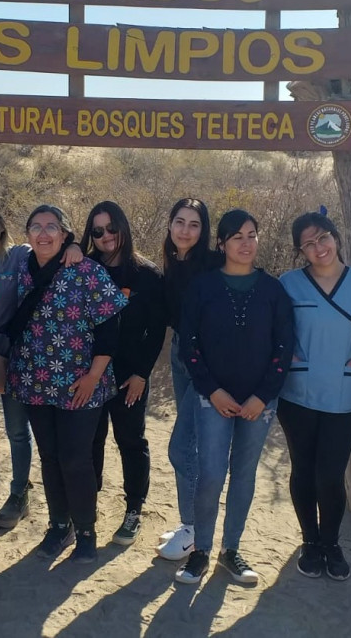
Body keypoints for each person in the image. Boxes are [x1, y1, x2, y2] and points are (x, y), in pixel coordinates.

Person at [174, 209, 294, 586]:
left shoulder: (273, 290)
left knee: (243, 476)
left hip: (260, 403)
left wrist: (264, 395)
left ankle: (231, 551)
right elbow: (189, 346)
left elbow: (283, 347)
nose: (246, 243)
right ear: (222, 243)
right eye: (237, 236)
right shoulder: (203, 286)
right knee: (210, 475)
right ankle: (201, 552)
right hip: (214, 400)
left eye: (252, 234)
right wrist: (212, 389)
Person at [6, 204, 127, 564]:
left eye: (52, 227)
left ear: (65, 235)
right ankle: (59, 525)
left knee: (75, 459)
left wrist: (93, 376)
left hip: (80, 384)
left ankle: (86, 529)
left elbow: (110, 328)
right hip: (33, 380)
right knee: (50, 457)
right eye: (36, 227)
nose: (43, 234)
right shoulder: (21, 270)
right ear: (27, 234)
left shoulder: (86, 271)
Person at [0, 202, 83, 539]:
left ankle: (19, 495)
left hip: (17, 361)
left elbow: (54, 247)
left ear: (1, 226)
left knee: (18, 431)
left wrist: (74, 245)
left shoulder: (19, 256)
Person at [277, 210, 351, 581]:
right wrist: (281, 351)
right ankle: (310, 542)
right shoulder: (288, 284)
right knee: (303, 469)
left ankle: (331, 543)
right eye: (308, 243)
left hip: (343, 392)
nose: (318, 247)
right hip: (298, 394)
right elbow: (274, 326)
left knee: (331, 474)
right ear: (300, 251)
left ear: (335, 237)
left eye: (323, 237)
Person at [83, 201, 167, 547]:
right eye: (97, 231)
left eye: (112, 228)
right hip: (88, 375)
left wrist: (142, 374)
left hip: (128, 376)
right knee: (91, 441)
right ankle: (87, 506)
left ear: (124, 228)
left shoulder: (147, 274)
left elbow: (156, 329)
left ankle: (133, 509)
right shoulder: (85, 268)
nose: (106, 237)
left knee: (131, 441)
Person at [156, 198, 213, 561]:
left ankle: (194, 530)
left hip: (206, 360)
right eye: (180, 222)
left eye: (194, 224)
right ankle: (190, 523)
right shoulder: (172, 261)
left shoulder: (212, 263)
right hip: (180, 353)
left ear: (203, 230)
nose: (186, 230)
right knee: (189, 445)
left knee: (180, 447)